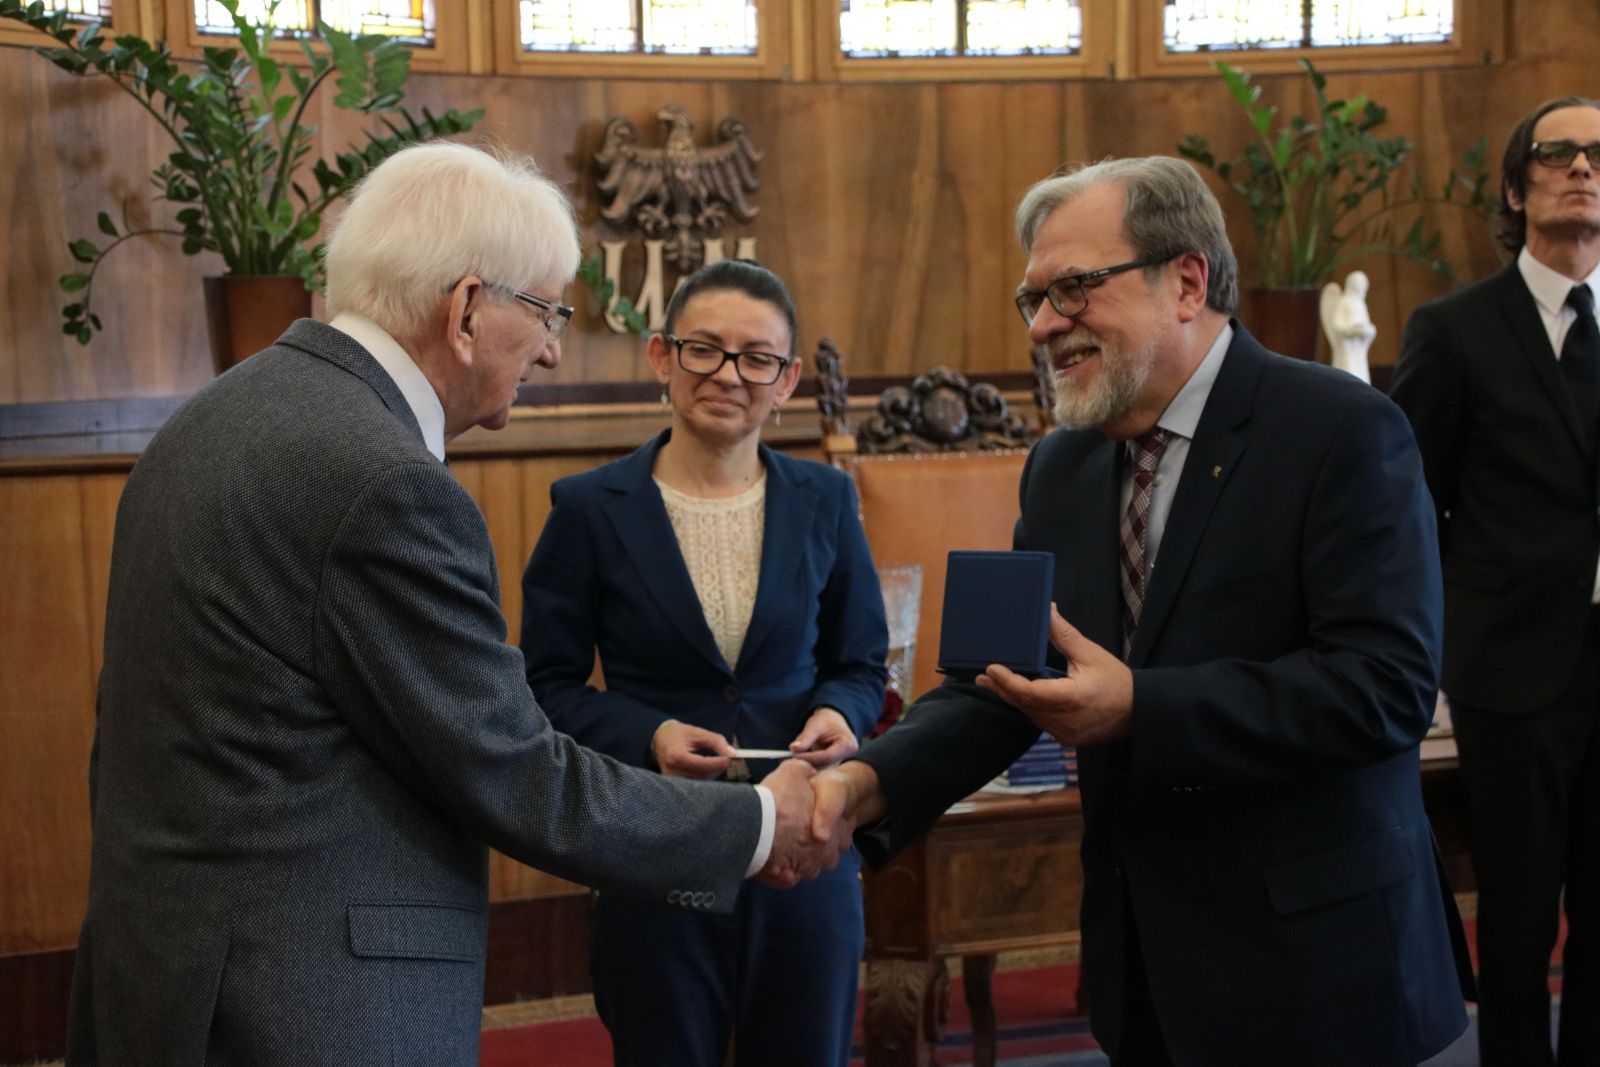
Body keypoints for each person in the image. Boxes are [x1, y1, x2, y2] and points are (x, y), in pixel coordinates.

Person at [64, 143, 840, 1067]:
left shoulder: (212, 418)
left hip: (167, 973)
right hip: (301, 1004)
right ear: (469, 308)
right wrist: (757, 822)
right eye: (547, 311)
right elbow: (516, 773)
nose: (553, 347)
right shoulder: (383, 481)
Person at [805, 156, 1474, 1066]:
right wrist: (862, 784)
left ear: (1186, 280)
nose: (1044, 325)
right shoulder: (1061, 466)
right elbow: (1003, 678)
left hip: (1324, 974)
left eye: (1074, 289)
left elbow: (1385, 690)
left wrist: (1140, 707)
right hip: (1149, 975)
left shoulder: (1342, 429)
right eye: (1033, 299)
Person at [518, 258, 888, 1067]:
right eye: (704, 350)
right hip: (657, 846)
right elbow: (542, 687)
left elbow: (861, 663)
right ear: (661, 356)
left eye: (757, 357)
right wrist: (649, 732)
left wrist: (840, 713)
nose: (729, 374)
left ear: (787, 377)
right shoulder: (587, 509)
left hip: (805, 847)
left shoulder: (826, 498)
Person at [1390, 96, 1600, 1067]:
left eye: (1598, 155)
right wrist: (1434, 645)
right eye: (1557, 153)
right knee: (1517, 923)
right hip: (1512, 672)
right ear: (1516, 189)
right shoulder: (1455, 328)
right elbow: (1408, 505)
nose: (1582, 168)